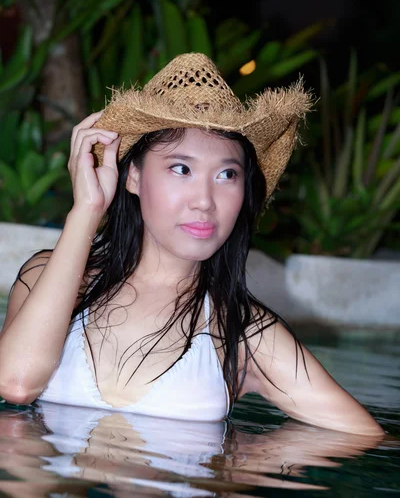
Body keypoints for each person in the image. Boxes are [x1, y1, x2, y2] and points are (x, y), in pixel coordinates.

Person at [0, 53, 383, 436]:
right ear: (132, 176)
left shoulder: (245, 331)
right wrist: (86, 209)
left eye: (226, 174)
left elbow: (367, 438)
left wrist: (242, 463)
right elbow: (16, 384)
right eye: (181, 168)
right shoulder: (47, 277)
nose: (204, 200)